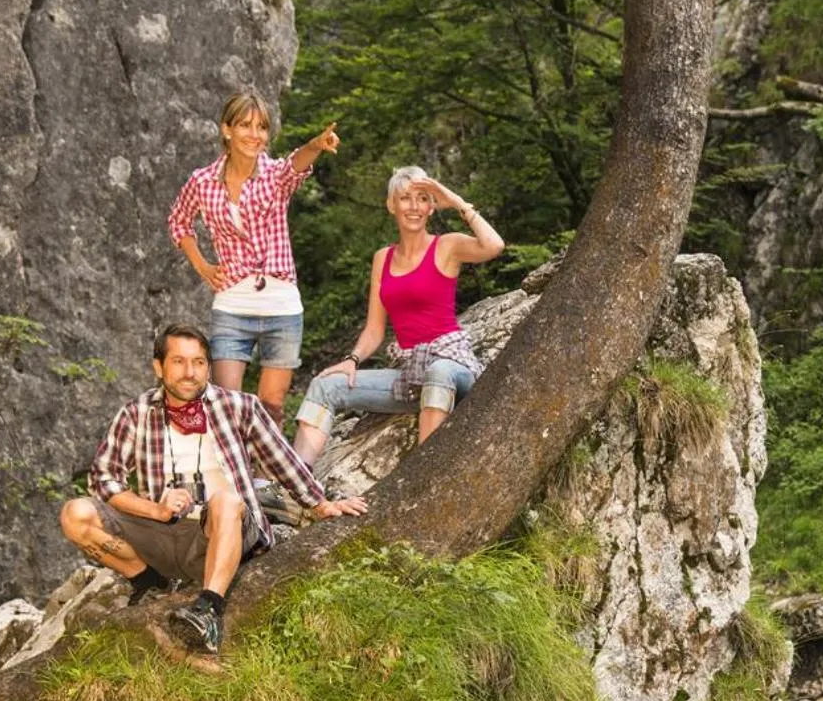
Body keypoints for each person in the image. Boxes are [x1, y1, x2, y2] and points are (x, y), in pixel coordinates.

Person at [59, 323, 368, 655]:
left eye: (199, 362)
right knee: (75, 514)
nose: (190, 372)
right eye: (178, 362)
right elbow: (103, 478)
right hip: (164, 532)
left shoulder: (239, 406)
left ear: (208, 367)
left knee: (226, 500)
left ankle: (208, 609)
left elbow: (282, 460)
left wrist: (320, 504)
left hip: (226, 530)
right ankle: (149, 581)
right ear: (158, 367)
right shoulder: (136, 413)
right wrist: (155, 510)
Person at [292, 166, 504, 462]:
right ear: (392, 205)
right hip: (409, 374)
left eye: (423, 198)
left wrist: (456, 202)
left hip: (453, 367)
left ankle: (424, 473)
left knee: (438, 372)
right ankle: (297, 480)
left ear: (432, 207)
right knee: (324, 386)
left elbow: (495, 245)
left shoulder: (447, 246)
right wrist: (352, 360)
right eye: (405, 198)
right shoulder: (383, 258)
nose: (414, 206)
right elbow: (374, 329)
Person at [167, 91, 339, 426]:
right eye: (245, 125)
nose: (254, 134)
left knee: (271, 406)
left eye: (261, 127)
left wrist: (316, 145)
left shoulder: (274, 175)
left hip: (282, 306)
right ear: (227, 129)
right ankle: (233, 460)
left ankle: (265, 463)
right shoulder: (202, 181)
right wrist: (202, 265)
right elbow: (179, 220)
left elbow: (295, 165)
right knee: (225, 404)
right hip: (232, 304)